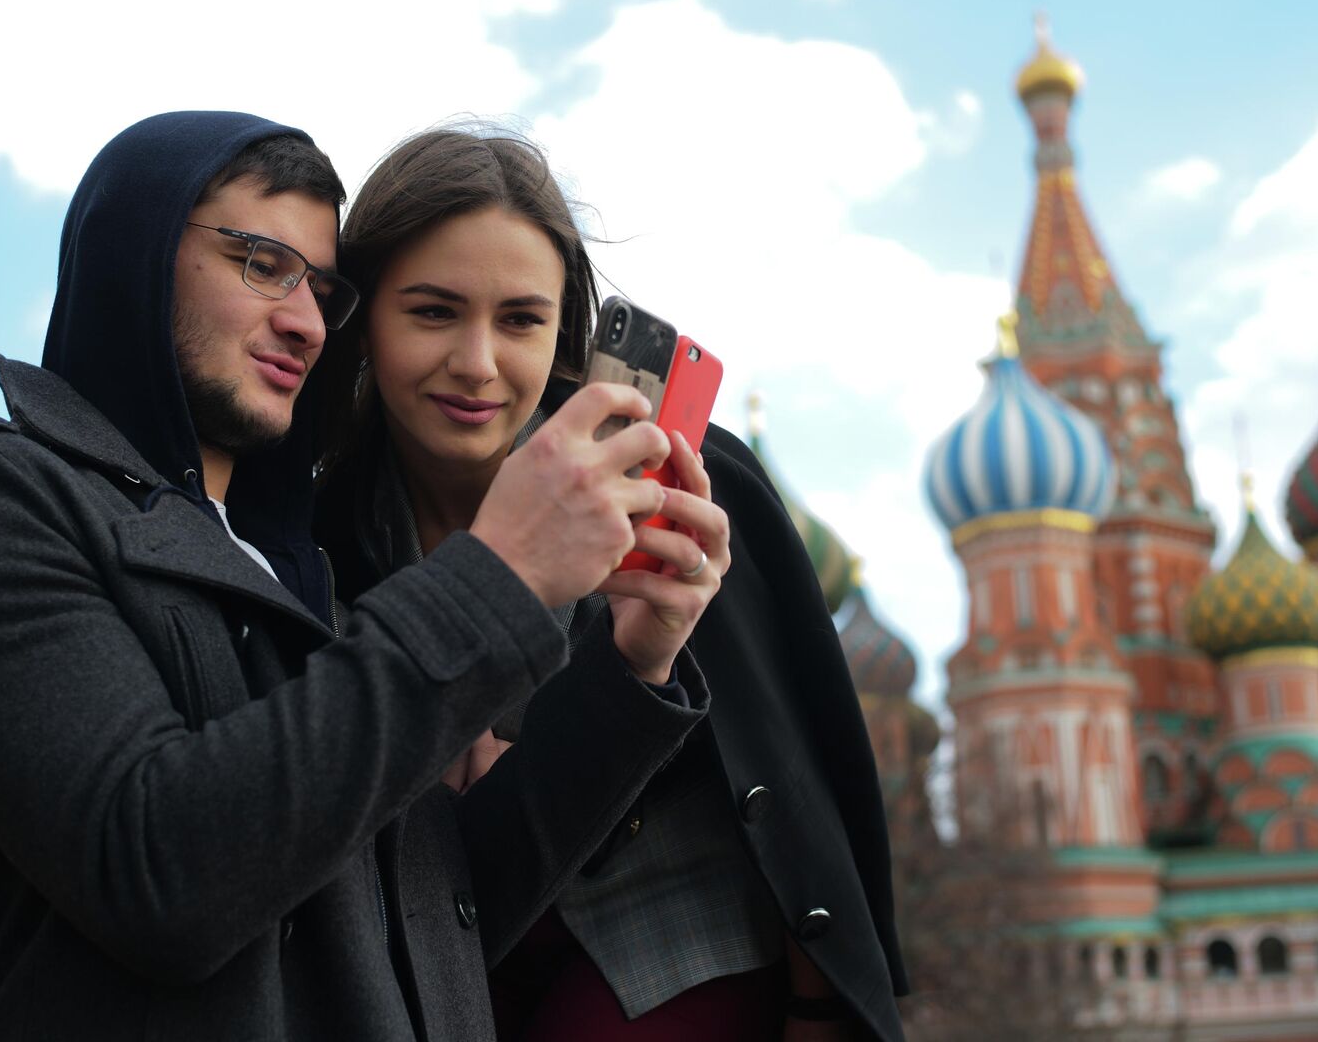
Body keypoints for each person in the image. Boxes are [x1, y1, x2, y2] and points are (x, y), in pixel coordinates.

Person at [0, 111, 711, 1041]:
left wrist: (632, 668)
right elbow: (160, 877)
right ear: (134, 245)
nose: (305, 321)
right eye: (262, 263)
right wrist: (495, 574)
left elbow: (440, 926)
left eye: (325, 290)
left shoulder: (315, 578)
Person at [313, 127, 907, 1042]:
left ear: (563, 332)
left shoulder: (675, 477)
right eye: (432, 312)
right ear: (361, 319)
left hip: (670, 932)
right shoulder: (320, 532)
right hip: (446, 949)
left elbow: (792, 753)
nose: (478, 364)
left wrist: (817, 1004)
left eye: (520, 320)